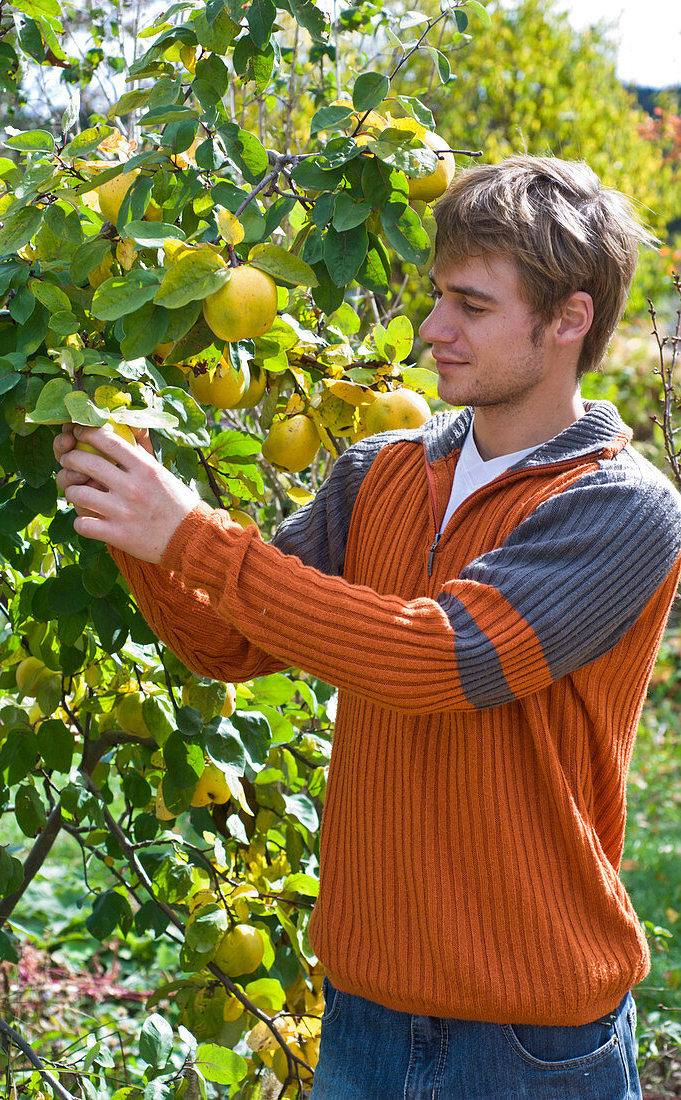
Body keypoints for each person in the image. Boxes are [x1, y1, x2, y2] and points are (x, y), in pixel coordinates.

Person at [55, 156, 681, 1099]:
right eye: (436, 298)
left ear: (568, 319)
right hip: (363, 1018)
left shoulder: (621, 509)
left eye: (469, 306)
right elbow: (227, 643)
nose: (431, 331)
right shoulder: (381, 472)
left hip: (528, 1041)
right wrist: (128, 507)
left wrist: (191, 533)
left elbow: (443, 657)